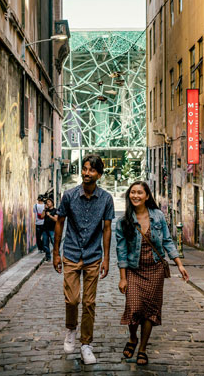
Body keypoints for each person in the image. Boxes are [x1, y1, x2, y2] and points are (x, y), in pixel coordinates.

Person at [115, 181, 189, 366]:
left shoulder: (157, 216)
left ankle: (142, 348)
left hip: (155, 269)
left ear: (147, 196)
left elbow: (167, 240)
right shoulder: (123, 221)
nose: (136, 196)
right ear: (128, 195)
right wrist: (123, 278)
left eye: (140, 192)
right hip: (133, 270)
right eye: (133, 192)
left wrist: (179, 264)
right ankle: (133, 338)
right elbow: (121, 250)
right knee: (134, 308)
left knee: (150, 311)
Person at [53, 154, 114, 365]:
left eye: (92, 170)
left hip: (93, 256)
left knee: (89, 302)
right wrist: (55, 253)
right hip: (70, 253)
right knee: (72, 299)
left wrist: (106, 258)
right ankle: (71, 329)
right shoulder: (69, 196)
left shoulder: (106, 199)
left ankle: (86, 344)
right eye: (85, 169)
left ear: (99, 174)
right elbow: (59, 222)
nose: (87, 173)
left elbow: (107, 229)